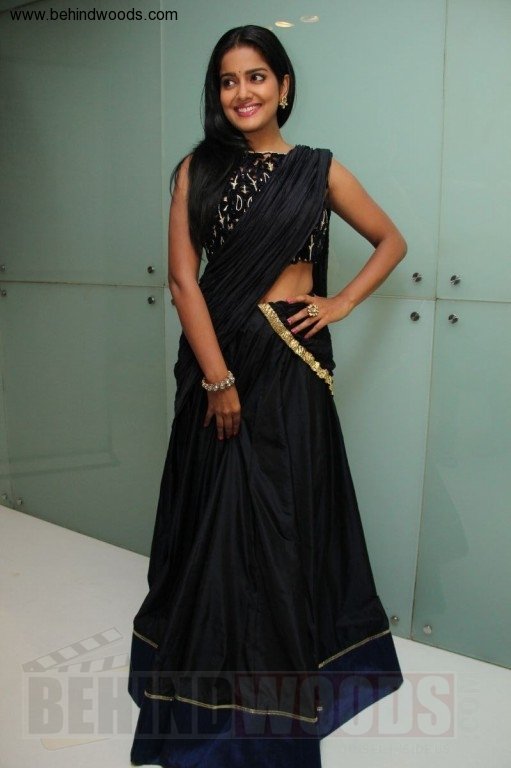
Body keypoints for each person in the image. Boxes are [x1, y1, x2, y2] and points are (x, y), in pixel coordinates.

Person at [128, 23, 407, 768]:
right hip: (219, 363)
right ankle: (208, 705)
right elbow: (184, 279)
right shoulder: (198, 169)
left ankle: (279, 690)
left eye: (256, 76)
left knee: (283, 522)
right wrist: (218, 379)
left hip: (289, 365)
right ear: (216, 93)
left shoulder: (317, 170)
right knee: (217, 525)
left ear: (283, 87)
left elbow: (391, 241)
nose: (242, 92)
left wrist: (340, 302)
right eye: (228, 80)